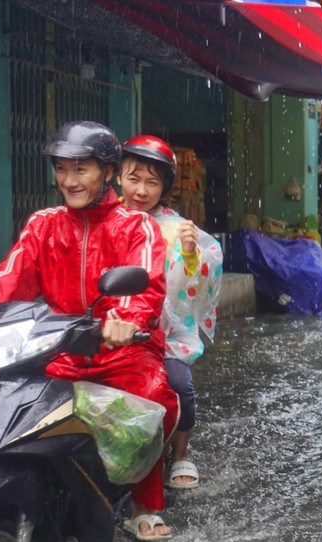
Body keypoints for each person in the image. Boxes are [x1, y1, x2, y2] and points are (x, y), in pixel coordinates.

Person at [0, 121, 177, 541]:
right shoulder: (44, 225)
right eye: (62, 169)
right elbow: (6, 281)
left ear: (105, 172)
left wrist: (124, 321)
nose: (69, 180)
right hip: (57, 351)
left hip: (122, 352)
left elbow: (145, 290)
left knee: (151, 396)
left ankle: (144, 504)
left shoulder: (136, 227)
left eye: (81, 170)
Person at [119, 135, 223, 491]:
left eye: (152, 182)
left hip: (161, 332)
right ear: (118, 177)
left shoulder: (175, 227)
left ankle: (180, 453)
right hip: (108, 327)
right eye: (134, 178)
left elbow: (196, 272)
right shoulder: (105, 220)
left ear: (164, 186)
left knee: (179, 386)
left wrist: (191, 252)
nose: (142, 190)